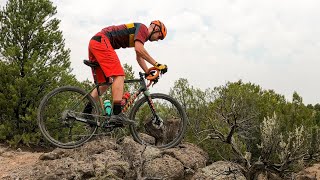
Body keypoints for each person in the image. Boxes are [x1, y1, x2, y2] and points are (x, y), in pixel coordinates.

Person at [83, 20, 168, 126]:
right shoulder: (142, 29)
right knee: (119, 75)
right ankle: (117, 113)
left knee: (105, 83)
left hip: (95, 43)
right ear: (155, 28)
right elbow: (139, 49)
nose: (157, 40)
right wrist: (157, 64)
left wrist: (148, 73)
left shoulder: (140, 37)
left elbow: (139, 56)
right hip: (102, 41)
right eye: (159, 36)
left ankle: (86, 111)